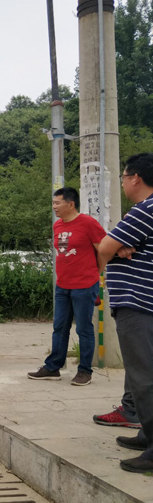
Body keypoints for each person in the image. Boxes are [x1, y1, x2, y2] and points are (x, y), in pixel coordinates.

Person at [97, 153, 153, 475]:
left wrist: (112, 247)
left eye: (123, 177)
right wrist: (117, 245)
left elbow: (103, 248)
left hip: (138, 302)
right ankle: (147, 433)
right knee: (142, 374)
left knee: (144, 377)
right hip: (145, 301)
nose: (122, 183)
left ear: (135, 178)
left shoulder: (145, 210)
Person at [27, 188, 106, 386]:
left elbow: (103, 251)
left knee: (84, 329)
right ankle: (53, 367)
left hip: (84, 284)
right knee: (60, 327)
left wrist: (95, 274)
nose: (54, 206)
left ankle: (85, 371)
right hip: (62, 285)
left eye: (57, 203)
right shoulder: (58, 225)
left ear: (71, 204)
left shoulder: (88, 223)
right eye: (53, 203)